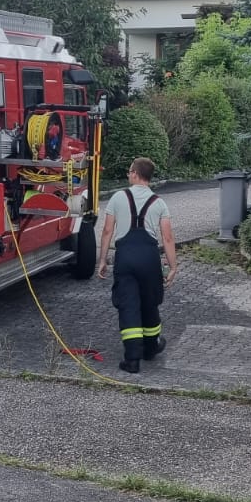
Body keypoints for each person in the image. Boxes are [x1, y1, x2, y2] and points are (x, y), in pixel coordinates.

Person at [98, 157, 179, 373]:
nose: (128, 174)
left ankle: (132, 360)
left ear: (135, 173)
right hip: (149, 258)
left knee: (128, 305)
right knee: (149, 302)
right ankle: (151, 348)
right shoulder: (159, 203)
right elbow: (168, 238)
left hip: (125, 258)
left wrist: (103, 260)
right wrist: (173, 267)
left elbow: (107, 231)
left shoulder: (117, 197)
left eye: (129, 171)